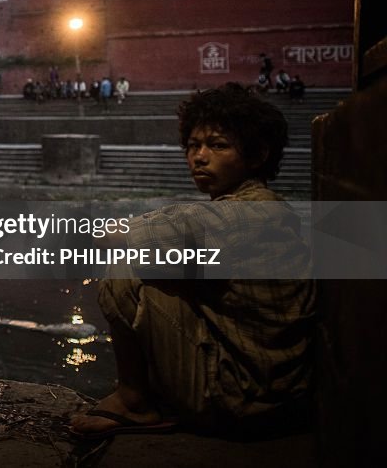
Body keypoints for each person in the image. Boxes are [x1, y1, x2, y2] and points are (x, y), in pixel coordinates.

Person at [69, 84, 315, 439]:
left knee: (126, 267)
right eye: (193, 145)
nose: (199, 156)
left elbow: (151, 232)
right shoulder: (259, 207)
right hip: (265, 389)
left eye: (217, 145)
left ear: (258, 154)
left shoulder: (254, 212)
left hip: (247, 396)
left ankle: (134, 403)